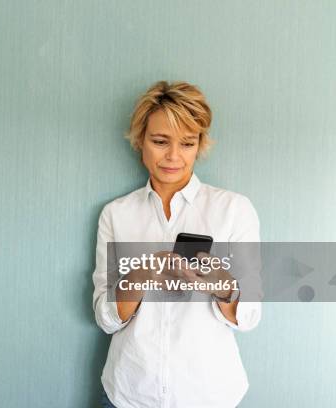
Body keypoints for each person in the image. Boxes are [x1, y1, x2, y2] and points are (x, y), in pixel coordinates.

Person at [92, 81, 263, 408]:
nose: (174, 156)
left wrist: (223, 286)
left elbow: (250, 315)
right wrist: (142, 275)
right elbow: (106, 317)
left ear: (199, 144)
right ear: (140, 139)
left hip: (210, 395)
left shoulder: (234, 210)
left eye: (187, 143)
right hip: (128, 394)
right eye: (160, 141)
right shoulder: (116, 214)